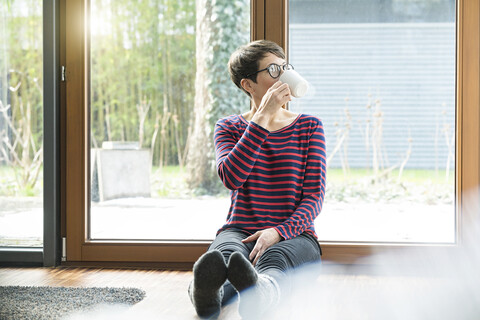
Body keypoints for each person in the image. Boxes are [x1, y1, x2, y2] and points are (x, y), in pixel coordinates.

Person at [188, 40, 326, 319]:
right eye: (274, 69)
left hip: (294, 235)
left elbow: (314, 198)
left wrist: (277, 232)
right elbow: (231, 177)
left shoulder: (310, 126)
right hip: (239, 229)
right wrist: (262, 117)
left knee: (274, 259)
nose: (283, 75)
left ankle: (262, 294)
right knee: (224, 255)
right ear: (248, 85)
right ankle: (204, 295)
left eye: (285, 67)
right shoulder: (229, 127)